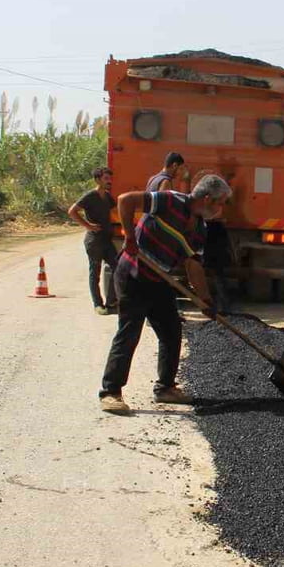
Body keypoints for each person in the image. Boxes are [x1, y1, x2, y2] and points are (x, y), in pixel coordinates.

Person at [98, 174, 232, 414]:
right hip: (133, 274)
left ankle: (165, 388)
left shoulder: (200, 229)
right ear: (207, 198)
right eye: (220, 203)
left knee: (171, 331)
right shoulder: (169, 201)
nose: (221, 209)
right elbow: (125, 200)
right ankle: (111, 392)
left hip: (159, 281)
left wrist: (206, 301)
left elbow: (193, 265)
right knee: (129, 332)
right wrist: (129, 236)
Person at [67, 167, 119, 314]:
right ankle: (98, 304)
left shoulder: (107, 196)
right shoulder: (90, 196)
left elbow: (116, 211)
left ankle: (111, 302)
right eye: (106, 179)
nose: (109, 181)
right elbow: (72, 211)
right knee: (95, 272)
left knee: (117, 267)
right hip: (94, 241)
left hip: (106, 240)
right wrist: (88, 226)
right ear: (97, 180)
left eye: (110, 178)